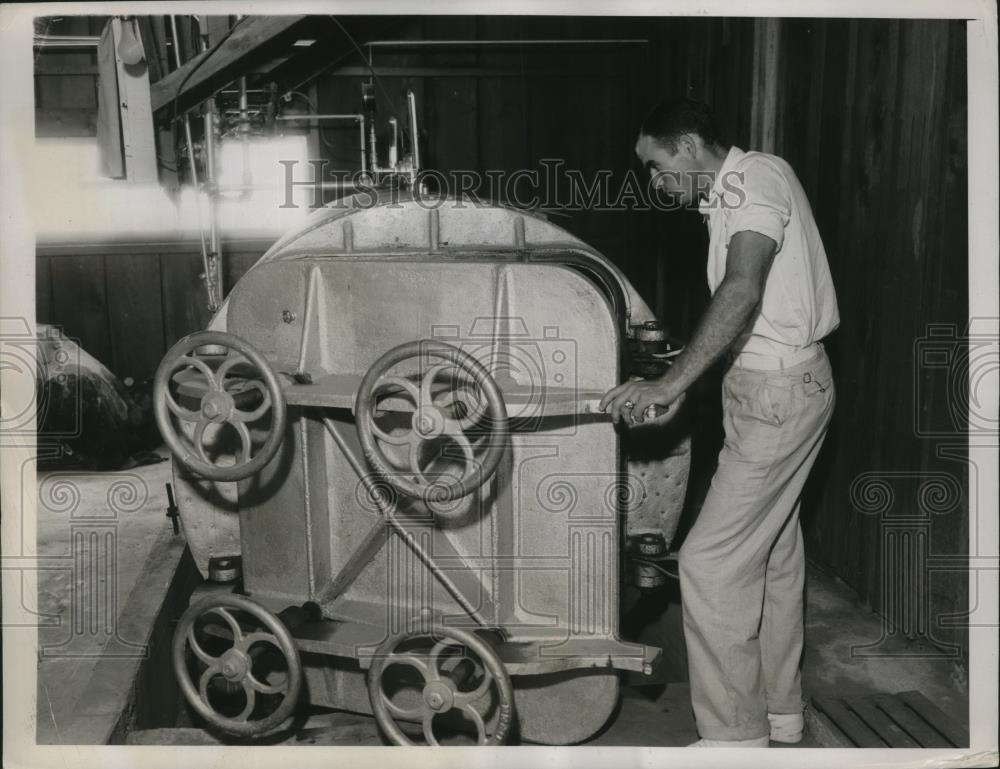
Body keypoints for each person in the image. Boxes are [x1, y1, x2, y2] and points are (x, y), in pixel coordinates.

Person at [600, 98, 840, 747]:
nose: (655, 182)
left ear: (686, 145)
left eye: (655, 165)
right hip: (771, 384)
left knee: (709, 563)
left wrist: (673, 381)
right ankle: (782, 710)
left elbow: (742, 290)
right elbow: (743, 321)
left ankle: (735, 740)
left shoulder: (757, 178)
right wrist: (680, 375)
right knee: (774, 552)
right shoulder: (728, 199)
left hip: (779, 392)